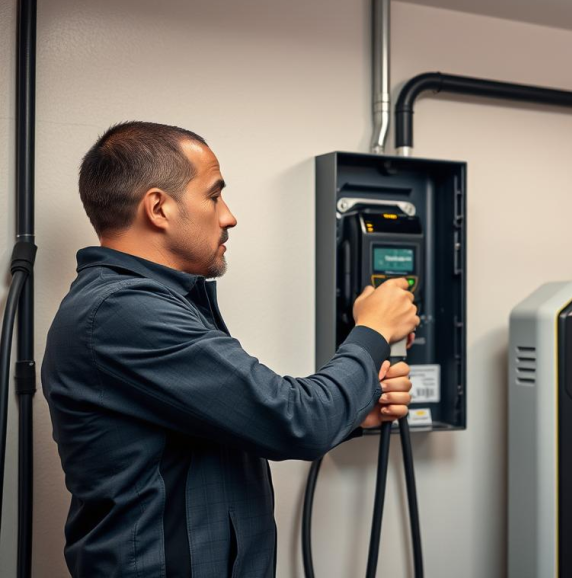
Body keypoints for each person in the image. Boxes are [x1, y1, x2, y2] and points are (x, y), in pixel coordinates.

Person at [40, 121, 419, 577]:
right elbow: (297, 419)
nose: (228, 216)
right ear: (158, 208)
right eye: (214, 195)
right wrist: (373, 329)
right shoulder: (122, 312)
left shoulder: (164, 303)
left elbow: (241, 419)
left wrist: (356, 408)